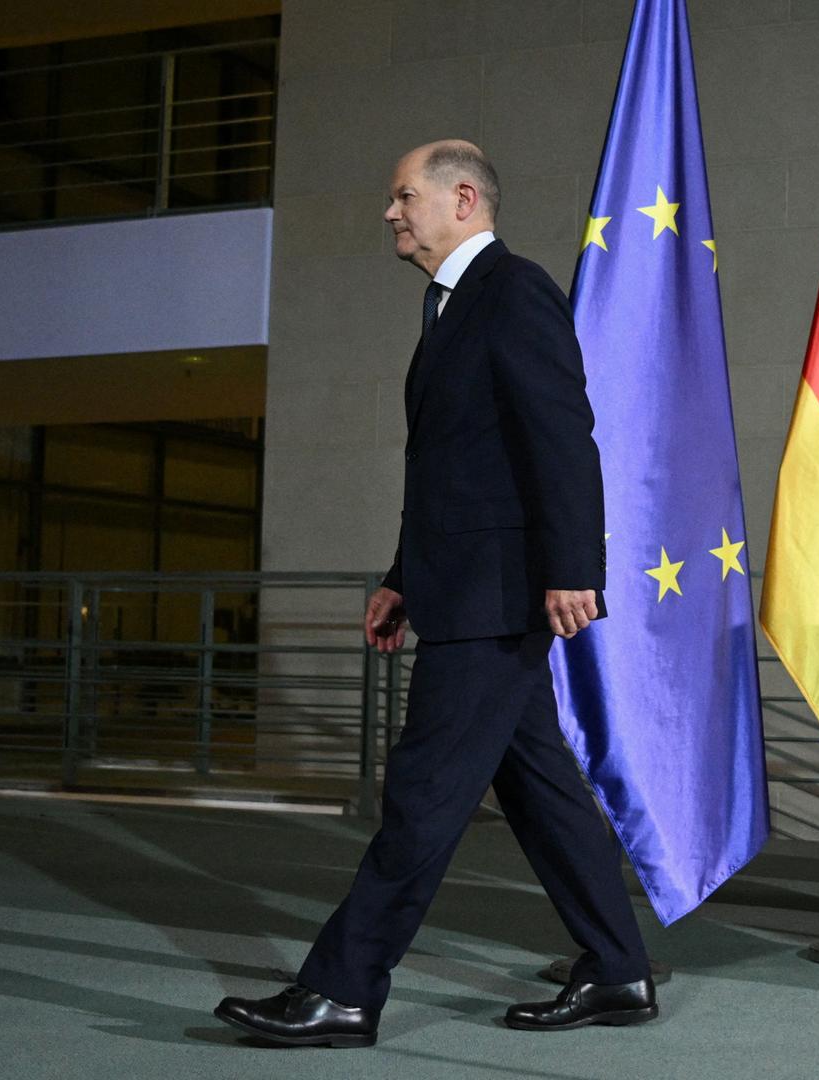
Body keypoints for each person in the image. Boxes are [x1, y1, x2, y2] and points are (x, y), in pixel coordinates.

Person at [214, 140, 655, 1046]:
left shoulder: (513, 290)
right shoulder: (447, 305)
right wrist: (405, 579)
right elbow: (458, 471)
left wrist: (576, 566)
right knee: (540, 790)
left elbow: (563, 436)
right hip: (464, 589)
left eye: (402, 196)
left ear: (462, 198)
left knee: (422, 794)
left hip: (498, 600)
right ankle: (618, 972)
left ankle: (342, 989)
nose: (390, 212)